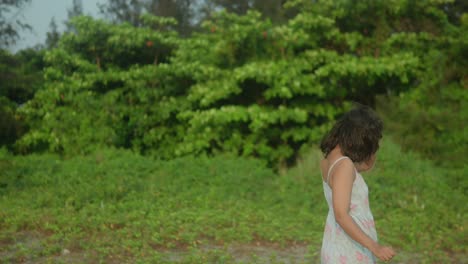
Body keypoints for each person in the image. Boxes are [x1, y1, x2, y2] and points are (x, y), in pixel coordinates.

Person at [319, 105, 396, 263]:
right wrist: (375, 247)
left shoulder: (330, 159)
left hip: (337, 244)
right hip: (349, 250)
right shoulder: (345, 166)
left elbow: (354, 174)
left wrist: (367, 158)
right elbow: (341, 215)